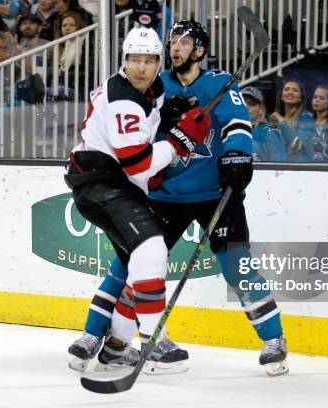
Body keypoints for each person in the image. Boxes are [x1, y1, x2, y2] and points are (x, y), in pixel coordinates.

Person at [68, 20, 289, 377]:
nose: (175, 48)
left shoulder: (220, 83)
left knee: (237, 265)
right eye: (172, 42)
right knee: (129, 265)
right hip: (166, 194)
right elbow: (136, 135)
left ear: (200, 50)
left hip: (216, 193)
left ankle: (274, 340)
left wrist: (236, 157)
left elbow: (238, 125)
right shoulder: (156, 86)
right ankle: (97, 336)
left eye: (184, 42)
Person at [64, 25, 210, 370]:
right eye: (133, 60)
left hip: (112, 184)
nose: (140, 67)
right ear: (123, 61)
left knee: (139, 266)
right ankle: (153, 340)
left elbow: (153, 112)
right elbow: (137, 163)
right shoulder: (124, 101)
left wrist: (170, 113)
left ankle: (115, 347)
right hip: (102, 184)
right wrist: (178, 141)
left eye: (148, 60)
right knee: (152, 248)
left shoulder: (151, 87)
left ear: (158, 63)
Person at [270, 77, 317, 162]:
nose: (290, 93)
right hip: (278, 168)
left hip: (300, 169)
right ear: (281, 96)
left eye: (295, 90)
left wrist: (282, 122)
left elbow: (297, 145)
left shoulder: (307, 118)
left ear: (300, 98)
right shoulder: (274, 120)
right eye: (287, 89)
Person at [241, 85, 285, 161]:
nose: (246, 107)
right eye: (242, 103)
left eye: (252, 104)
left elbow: (278, 169)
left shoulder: (270, 132)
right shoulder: (230, 131)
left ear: (261, 108)